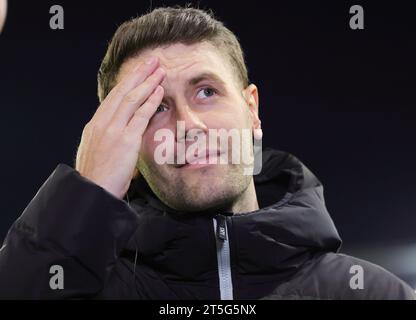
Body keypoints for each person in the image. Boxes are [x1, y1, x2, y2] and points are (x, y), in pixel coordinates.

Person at [0, 6, 414, 300]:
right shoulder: (85, 289)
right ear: (123, 141)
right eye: (155, 107)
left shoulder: (373, 293)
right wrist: (83, 196)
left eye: (206, 92)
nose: (187, 126)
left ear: (251, 109)